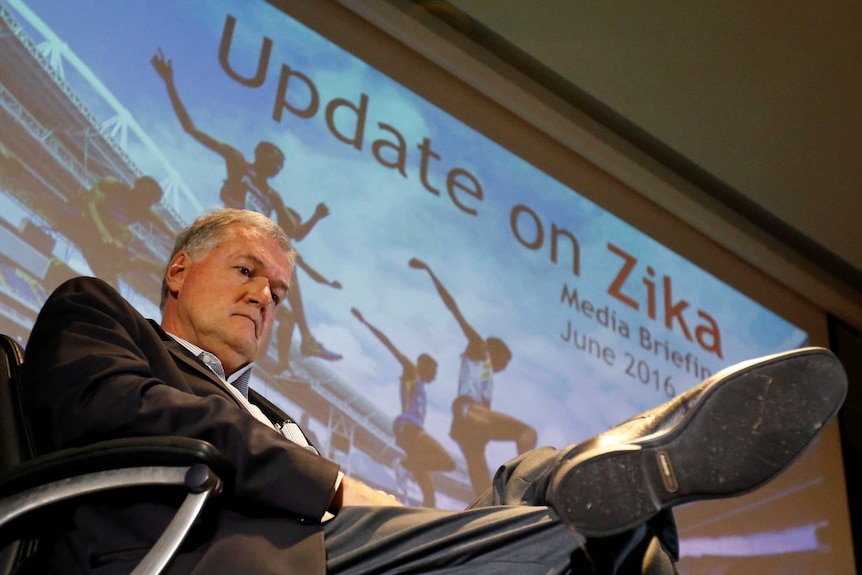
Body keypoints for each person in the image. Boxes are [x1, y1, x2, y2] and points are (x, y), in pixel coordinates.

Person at [22, 208, 847, 574]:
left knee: (561, 545)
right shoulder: (97, 312)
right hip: (211, 555)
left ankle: (581, 495)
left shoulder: (277, 414)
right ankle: (570, 491)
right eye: (247, 272)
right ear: (178, 270)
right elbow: (129, 410)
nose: (264, 299)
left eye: (278, 293)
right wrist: (333, 482)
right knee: (552, 538)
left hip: (314, 546)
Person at [151, 50, 341, 372]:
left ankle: (303, 340)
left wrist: (316, 218)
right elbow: (191, 129)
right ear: (261, 155)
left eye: (280, 165)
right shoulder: (239, 162)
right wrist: (169, 82)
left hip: (254, 242)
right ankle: (305, 336)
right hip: (230, 237)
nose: (277, 167)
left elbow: (293, 234)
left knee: (283, 273)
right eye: (274, 161)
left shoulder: (273, 195)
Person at [408, 257, 538, 496]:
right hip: (469, 412)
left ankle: (486, 516)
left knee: (481, 488)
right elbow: (454, 309)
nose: (503, 368)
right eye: (504, 362)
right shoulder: (479, 349)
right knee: (526, 432)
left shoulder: (485, 374)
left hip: (467, 425)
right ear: (496, 352)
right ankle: (520, 485)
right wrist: (430, 271)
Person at [351, 307, 456, 507]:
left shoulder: (422, 387)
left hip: (412, 436)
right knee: (448, 462)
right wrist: (364, 321)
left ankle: (408, 467)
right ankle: (405, 464)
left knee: (430, 498)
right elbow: (390, 345)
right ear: (424, 366)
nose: (434, 376)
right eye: (433, 371)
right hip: (409, 427)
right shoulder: (412, 372)